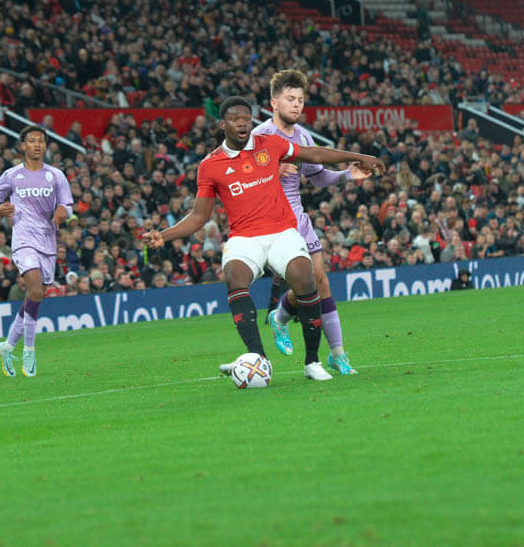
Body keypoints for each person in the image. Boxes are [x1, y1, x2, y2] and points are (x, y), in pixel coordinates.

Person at [141, 97, 384, 382]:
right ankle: (258, 359)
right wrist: (164, 235)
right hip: (245, 238)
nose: (242, 123)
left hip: (282, 232)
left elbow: (315, 154)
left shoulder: (270, 144)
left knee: (305, 277)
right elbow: (198, 216)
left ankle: (312, 362)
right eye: (235, 119)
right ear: (223, 124)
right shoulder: (210, 165)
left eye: (246, 118)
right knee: (234, 275)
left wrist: (359, 156)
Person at [254, 68, 368, 374]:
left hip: (298, 219)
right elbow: (243, 179)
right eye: (290, 98)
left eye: (300, 100)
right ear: (274, 103)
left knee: (320, 282)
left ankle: (337, 354)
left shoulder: (304, 137)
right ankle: (282, 319)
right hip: (270, 224)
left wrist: (348, 175)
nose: (296, 105)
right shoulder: (259, 137)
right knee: (304, 285)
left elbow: (318, 178)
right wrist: (272, 171)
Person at [0, 125, 74, 377]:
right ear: (23, 145)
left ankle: (7, 347)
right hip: (24, 239)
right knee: (35, 290)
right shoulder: (12, 175)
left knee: (35, 297)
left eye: (41, 141)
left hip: (48, 241)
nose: (37, 145)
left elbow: (68, 205)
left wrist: (63, 211)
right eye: (32, 141)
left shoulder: (56, 175)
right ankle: (29, 350)